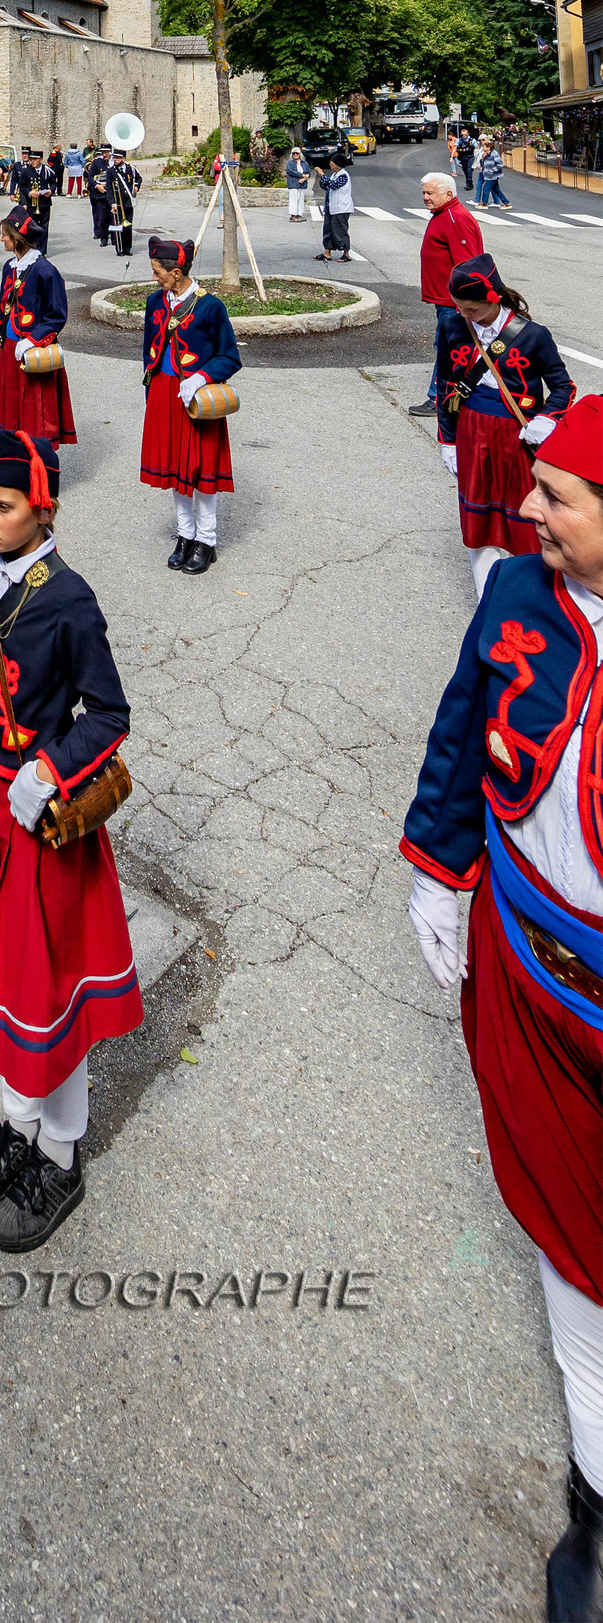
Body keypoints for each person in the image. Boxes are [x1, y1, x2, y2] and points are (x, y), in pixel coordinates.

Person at [400, 396, 603, 1622]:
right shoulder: (514, 596)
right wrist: (435, 868)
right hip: (530, 979)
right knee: (572, 1258)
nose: (525, 511)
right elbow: (460, 730)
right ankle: (596, 1501)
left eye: (559, 500)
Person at [0, 428, 141, 1251]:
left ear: (42, 507)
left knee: (47, 988)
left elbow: (110, 716)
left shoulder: (69, 599)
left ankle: (59, 1149)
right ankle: (18, 1130)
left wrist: (50, 768)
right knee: (3, 981)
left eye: (4, 506)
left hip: (38, 822)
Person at [435, 254, 574, 598]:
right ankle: (488, 600)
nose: (464, 315)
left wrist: (546, 419)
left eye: (472, 309)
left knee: (528, 520)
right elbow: (443, 385)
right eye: (459, 307)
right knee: (478, 520)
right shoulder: (453, 326)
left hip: (517, 438)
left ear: (493, 299)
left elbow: (563, 386)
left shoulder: (533, 336)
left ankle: (533, 599)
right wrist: (448, 441)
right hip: (472, 432)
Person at [140, 234, 241, 572]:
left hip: (197, 400)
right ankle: (185, 535)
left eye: (159, 273)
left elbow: (230, 357)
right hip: (164, 395)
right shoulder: (155, 302)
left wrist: (200, 378)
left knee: (200, 470)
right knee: (173, 468)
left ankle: (206, 540)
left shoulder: (210, 306)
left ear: (178, 272)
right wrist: (149, 392)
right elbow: (147, 353)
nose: (155, 278)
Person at [0, 206, 75, 447]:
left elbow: (57, 315)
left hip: (33, 352)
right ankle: (17, 459)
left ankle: (39, 463)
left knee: (35, 410)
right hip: (10, 350)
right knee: (12, 407)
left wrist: (32, 340)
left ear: (17, 238)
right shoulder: (9, 267)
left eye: (5, 234)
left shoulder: (45, 270)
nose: (2, 238)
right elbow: (2, 309)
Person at [409, 170, 484, 419]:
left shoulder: (455, 218)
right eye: (424, 193)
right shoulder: (443, 214)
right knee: (452, 346)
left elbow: (468, 264)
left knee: (449, 348)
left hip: (452, 301)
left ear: (448, 193)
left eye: (430, 193)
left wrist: (465, 302)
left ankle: (438, 397)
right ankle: (457, 393)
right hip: (444, 299)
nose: (426, 198)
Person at [315, 153, 354, 261]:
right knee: (328, 230)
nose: (330, 165)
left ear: (337, 165)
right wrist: (322, 178)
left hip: (341, 208)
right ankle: (327, 252)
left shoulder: (343, 176)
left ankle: (346, 253)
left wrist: (323, 175)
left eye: (332, 163)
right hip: (331, 207)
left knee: (340, 231)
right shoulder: (334, 175)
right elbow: (326, 186)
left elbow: (333, 185)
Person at [107, 148, 141, 258]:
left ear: (123, 158)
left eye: (117, 157)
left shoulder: (131, 169)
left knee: (128, 226)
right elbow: (109, 189)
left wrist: (136, 186)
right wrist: (112, 203)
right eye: (114, 158)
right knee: (119, 226)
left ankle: (127, 248)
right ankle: (119, 248)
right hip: (118, 203)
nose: (115, 160)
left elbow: (139, 179)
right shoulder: (111, 171)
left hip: (128, 202)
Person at [285, 143, 310, 222]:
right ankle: (293, 215)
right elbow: (291, 172)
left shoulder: (304, 163)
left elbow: (308, 172)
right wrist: (302, 175)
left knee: (301, 199)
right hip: (293, 184)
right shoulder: (290, 163)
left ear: (300, 154)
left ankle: (299, 215)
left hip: (302, 184)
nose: (295, 155)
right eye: (294, 153)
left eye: (297, 153)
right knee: (294, 199)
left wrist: (304, 178)